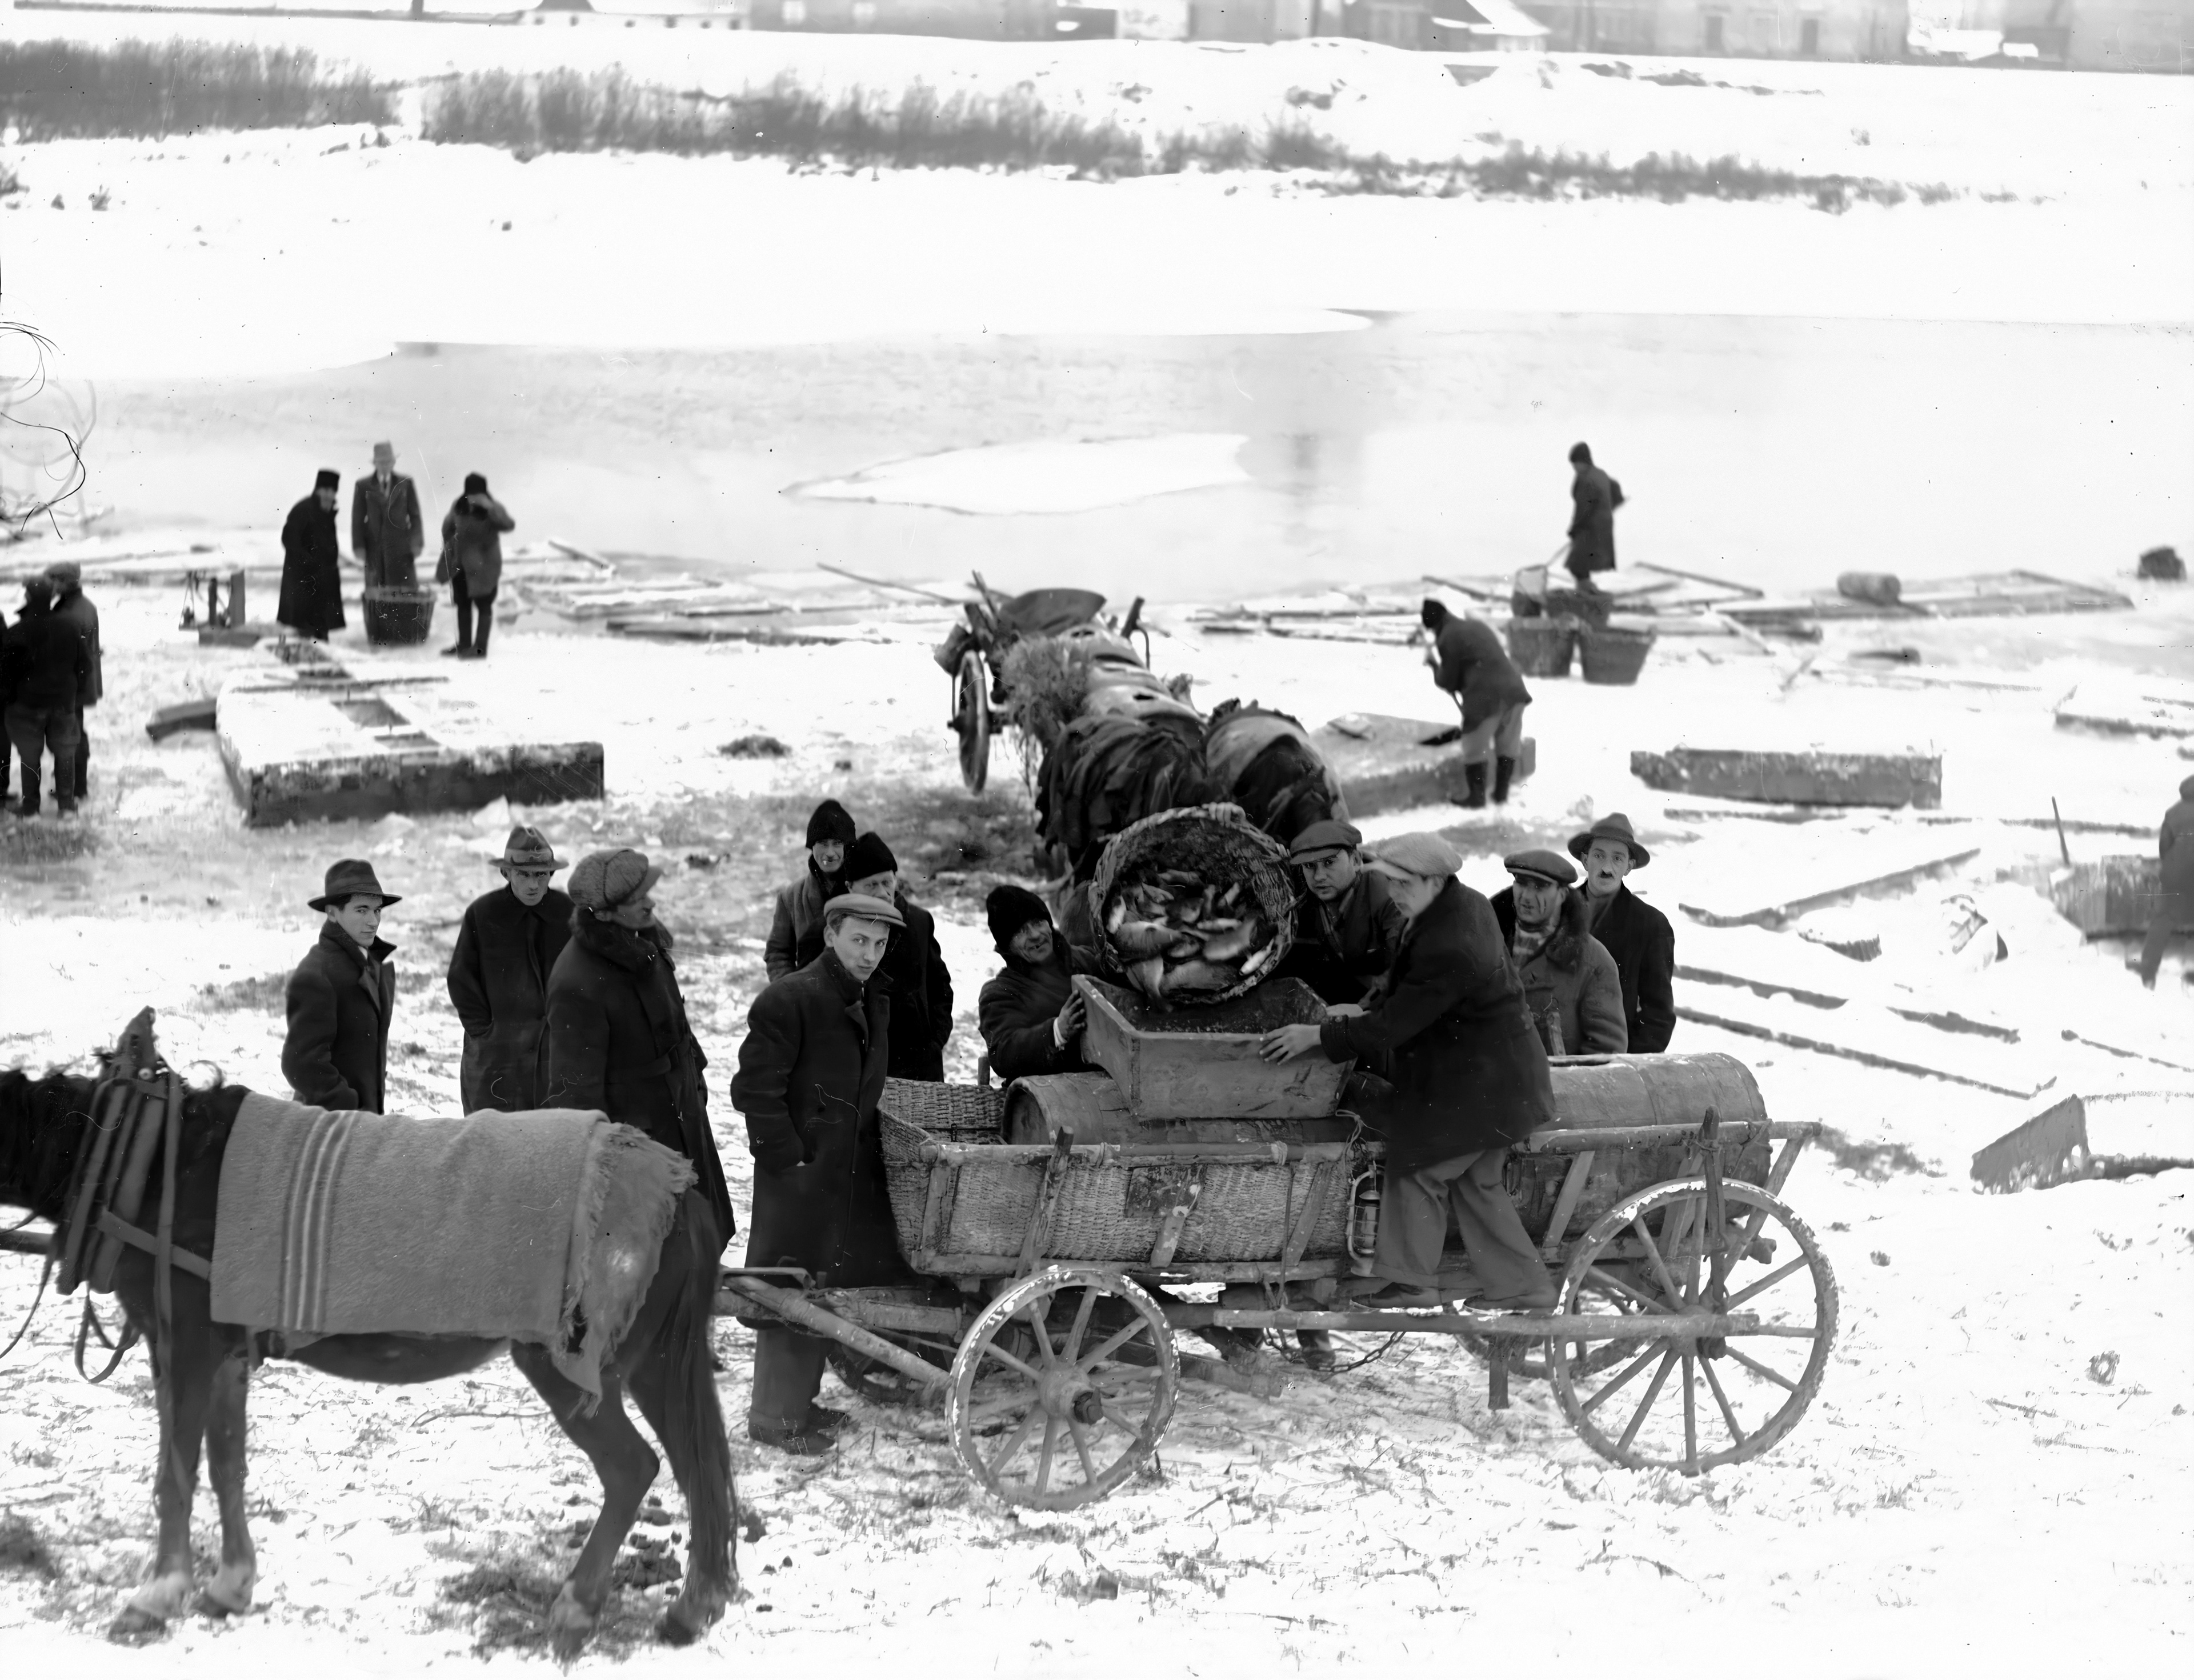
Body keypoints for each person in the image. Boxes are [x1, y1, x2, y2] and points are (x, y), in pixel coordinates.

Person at [1259, 832, 1556, 1312]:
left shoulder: (1450, 943)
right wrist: (1358, 1011)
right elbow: (1408, 992)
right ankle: (1525, 1287)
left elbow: (1399, 1023)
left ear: (1435, 880)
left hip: (1487, 1085)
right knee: (1476, 1181)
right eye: (1390, 883)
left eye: (1403, 883)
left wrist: (1318, 1037)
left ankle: (1413, 1280)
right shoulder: (1460, 906)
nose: (1395, 894)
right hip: (1498, 1076)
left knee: (1418, 1167)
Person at [731, 893, 912, 1454]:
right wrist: (791, 1158)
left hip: (845, 1175)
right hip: (801, 1183)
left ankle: (799, 1408)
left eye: (879, 944)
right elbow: (754, 1091)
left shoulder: (870, 996)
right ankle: (773, 1420)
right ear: (831, 933)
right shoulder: (791, 1000)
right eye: (859, 940)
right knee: (786, 1292)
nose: (870, 954)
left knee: (822, 1293)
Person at [543, 848, 735, 1250]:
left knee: (700, 1240)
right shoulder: (575, 981)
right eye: (639, 899)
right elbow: (576, 1093)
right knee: (656, 1255)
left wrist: (695, 1077)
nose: (652, 902)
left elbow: (676, 1020)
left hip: (683, 1113)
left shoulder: (642, 940)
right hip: (640, 1139)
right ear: (607, 913)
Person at [446, 826, 576, 1112]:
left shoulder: (568, 913)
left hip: (553, 1053)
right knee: (495, 1138)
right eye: (524, 875)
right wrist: (485, 1032)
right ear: (506, 874)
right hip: (496, 1057)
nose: (533, 885)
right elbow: (460, 979)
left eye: (541, 875)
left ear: (551, 875)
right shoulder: (482, 913)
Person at [282, 860, 401, 1114]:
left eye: (377, 910)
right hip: (330, 1127)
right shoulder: (317, 973)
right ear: (333, 913)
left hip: (365, 1124)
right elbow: (300, 1064)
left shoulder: (371, 962)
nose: (373, 921)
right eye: (361, 910)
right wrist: (348, 1107)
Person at [1490, 849, 1627, 1057]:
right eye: (1521, 883)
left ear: (1562, 894)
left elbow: (1606, 1054)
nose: (1526, 896)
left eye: (1539, 887)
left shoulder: (1593, 961)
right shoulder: (1483, 944)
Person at [842, 831, 954, 1081]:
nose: (882, 893)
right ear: (850, 888)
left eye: (886, 882)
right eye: (871, 885)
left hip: (923, 1065)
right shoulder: (838, 932)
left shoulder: (920, 921)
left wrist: (935, 1042)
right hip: (868, 1068)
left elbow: (942, 988)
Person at [1568, 813, 1675, 1053]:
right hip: (1557, 1057)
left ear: (1629, 867)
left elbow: (1658, 1017)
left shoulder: (1651, 925)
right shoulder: (1557, 913)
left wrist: (1625, 1065)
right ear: (1585, 861)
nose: (1607, 868)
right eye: (1599, 856)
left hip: (1616, 1061)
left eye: (1618, 859)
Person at [1274, 818, 1407, 1007]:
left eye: (1329, 862)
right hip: (1347, 979)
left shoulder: (1390, 896)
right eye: (1310, 866)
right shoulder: (1313, 888)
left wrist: (1364, 1011)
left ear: (1355, 861)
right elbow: (1269, 856)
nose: (1319, 876)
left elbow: (1407, 966)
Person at [1420, 598, 1531, 810]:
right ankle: (1501, 795)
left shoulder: (1447, 637)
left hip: (1485, 699)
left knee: (1474, 745)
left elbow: (1448, 680)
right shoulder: (1476, 626)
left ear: (1434, 626)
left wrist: (1434, 666)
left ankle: (1477, 798)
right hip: (1513, 691)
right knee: (1507, 745)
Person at [978, 884, 1095, 1082]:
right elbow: (1004, 1052)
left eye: (1038, 922)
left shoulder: (1085, 960)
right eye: (1021, 931)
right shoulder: (999, 994)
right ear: (1008, 945)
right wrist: (1057, 1031)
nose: (1034, 934)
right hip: (1044, 1099)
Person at [2, 576, 88, 819]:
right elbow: (85, 665)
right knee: (64, 752)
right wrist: (74, 691)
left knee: (30, 755)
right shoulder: (70, 626)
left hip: (28, 705)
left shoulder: (16, 632)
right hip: (62, 702)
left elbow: (5, 673)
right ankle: (67, 807)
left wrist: (10, 700)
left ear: (28, 597)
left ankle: (31, 809)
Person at [764, 798, 857, 980]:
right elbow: (778, 955)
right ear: (812, 846)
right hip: (809, 998)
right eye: (822, 843)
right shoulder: (790, 897)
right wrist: (793, 993)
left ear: (848, 846)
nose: (830, 853)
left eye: (838, 843)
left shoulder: (863, 890)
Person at [438, 471, 515, 660]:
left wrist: (490, 508)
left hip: (485, 566)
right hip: (463, 564)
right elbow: (447, 527)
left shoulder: (492, 509)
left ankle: (480, 648)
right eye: (471, 495)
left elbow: (508, 525)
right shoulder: (459, 506)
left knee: (484, 605)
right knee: (463, 604)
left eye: (478, 495)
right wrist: (452, 547)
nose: (474, 499)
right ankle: (464, 645)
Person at [45, 561, 99, 806]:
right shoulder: (84, 606)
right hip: (82, 684)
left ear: (66, 582)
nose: (50, 585)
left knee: (68, 737)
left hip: (71, 687)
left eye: (54, 580)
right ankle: (78, 787)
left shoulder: (69, 613)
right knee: (75, 733)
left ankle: (74, 789)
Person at [2135, 774, 2194, 989]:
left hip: (2175, 876)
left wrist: (2173, 868)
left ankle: (2148, 971)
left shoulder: (2173, 812)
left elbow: (2164, 847)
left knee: (2164, 920)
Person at [279, 469, 348, 641]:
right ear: (317, 490)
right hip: (305, 584)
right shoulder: (304, 509)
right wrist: (307, 561)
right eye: (325, 490)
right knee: (306, 633)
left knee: (320, 634)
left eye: (332, 491)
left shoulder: (327, 512)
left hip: (322, 584)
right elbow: (288, 538)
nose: (329, 495)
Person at [351, 440, 426, 590]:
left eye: (388, 462)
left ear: (393, 462)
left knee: (405, 595)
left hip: (401, 551)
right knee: (376, 597)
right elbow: (357, 520)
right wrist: (359, 546)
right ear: (375, 464)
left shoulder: (406, 483)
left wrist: (416, 544)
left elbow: (415, 516)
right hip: (374, 552)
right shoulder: (363, 485)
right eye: (381, 462)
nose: (385, 465)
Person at [1565, 442, 1624, 591]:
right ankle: (1587, 593)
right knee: (1581, 565)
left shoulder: (1585, 480)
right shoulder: (1600, 474)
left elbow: (1583, 509)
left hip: (1590, 528)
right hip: (1602, 526)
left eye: (1576, 464)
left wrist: (1575, 529)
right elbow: (1616, 490)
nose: (1575, 468)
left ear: (1583, 462)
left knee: (1577, 565)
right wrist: (1612, 505)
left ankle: (1587, 596)